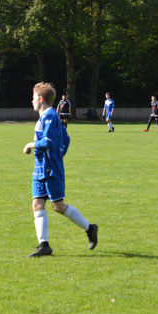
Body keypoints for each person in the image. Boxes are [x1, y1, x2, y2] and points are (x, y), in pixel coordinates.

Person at [23, 82, 98, 257]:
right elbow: (66, 139)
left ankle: (90, 228)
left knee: (58, 206)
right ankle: (44, 245)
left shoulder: (51, 116)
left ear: (41, 99)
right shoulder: (44, 116)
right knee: (37, 204)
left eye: (34, 97)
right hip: (40, 168)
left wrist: (31, 145)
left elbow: (48, 142)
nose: (32, 100)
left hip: (50, 170)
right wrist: (57, 154)